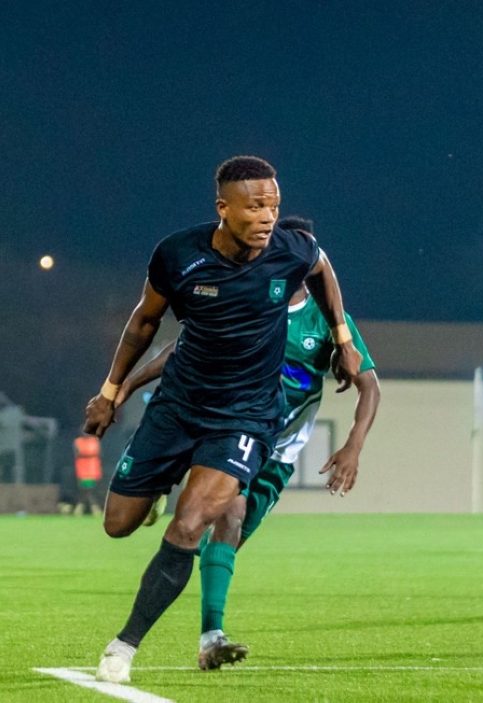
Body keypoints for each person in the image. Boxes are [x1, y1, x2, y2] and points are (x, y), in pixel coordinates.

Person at [83, 156, 363, 683]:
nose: (267, 217)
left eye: (274, 206)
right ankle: (158, 486)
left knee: (191, 526)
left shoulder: (291, 249)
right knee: (117, 525)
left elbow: (323, 271)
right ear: (223, 209)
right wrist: (111, 391)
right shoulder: (177, 255)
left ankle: (123, 647)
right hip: (178, 407)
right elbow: (144, 322)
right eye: (256, 206)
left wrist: (342, 339)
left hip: (245, 416)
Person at [72, 434, 103, 516]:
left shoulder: (94, 441)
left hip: (92, 469)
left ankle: (80, 507)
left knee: (88, 489)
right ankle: (94, 507)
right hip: (82, 469)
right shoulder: (78, 441)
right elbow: (76, 453)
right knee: (85, 489)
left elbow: (98, 452)